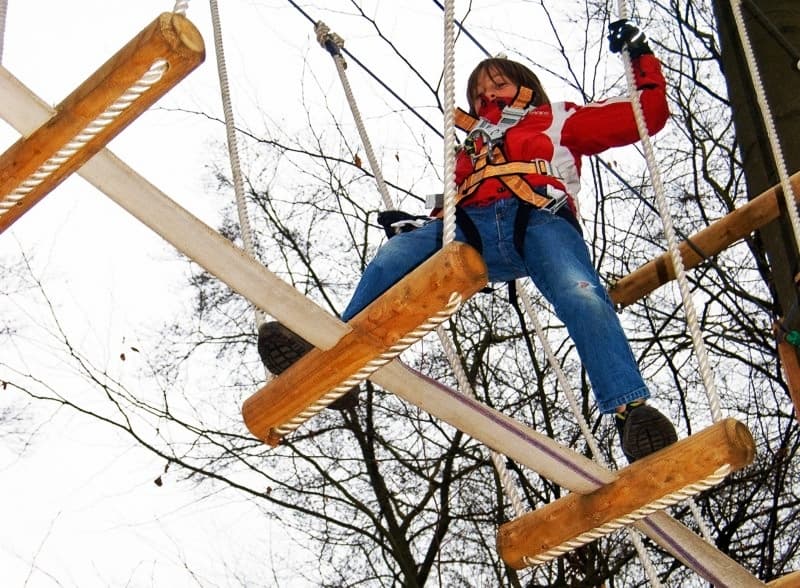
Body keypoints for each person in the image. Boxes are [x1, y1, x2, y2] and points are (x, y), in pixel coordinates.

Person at [258, 20, 677, 462]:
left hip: (537, 216)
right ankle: (337, 358)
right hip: (471, 222)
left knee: (582, 294)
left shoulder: (556, 117)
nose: (486, 93)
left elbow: (644, 116)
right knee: (393, 259)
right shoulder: (471, 145)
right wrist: (419, 228)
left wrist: (639, 58)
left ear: (524, 85)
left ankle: (631, 411)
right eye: (478, 91)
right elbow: (454, 199)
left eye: (498, 81)